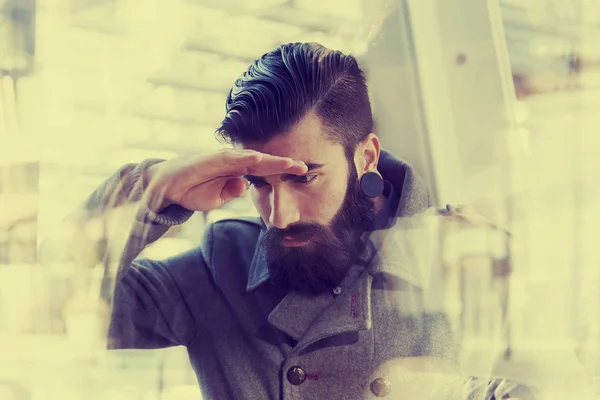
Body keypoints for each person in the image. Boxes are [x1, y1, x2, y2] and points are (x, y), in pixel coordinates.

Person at [69, 43, 536, 399]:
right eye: (259, 183)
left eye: (306, 178)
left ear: (366, 156)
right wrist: (151, 191)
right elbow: (44, 308)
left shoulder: (470, 257)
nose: (280, 215)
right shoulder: (220, 270)